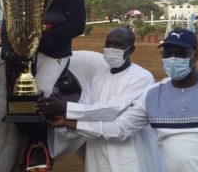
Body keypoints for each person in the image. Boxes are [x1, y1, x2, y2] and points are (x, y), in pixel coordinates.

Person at [48, 28, 198, 171]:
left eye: (180, 53)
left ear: (195, 55)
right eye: (167, 52)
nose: (172, 58)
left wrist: (68, 109)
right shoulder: (154, 94)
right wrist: (67, 122)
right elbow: (120, 128)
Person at [0, 0, 86, 171]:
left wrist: (39, 41)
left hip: (54, 51)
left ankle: (39, 146)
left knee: (42, 93)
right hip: (20, 46)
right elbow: (8, 17)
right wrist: (9, 47)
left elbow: (78, 24)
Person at [38, 27, 163, 172]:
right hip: (97, 155)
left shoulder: (141, 77)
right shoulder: (98, 77)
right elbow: (84, 109)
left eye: (118, 45)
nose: (111, 48)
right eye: (108, 44)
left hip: (128, 157)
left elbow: (113, 111)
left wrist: (66, 109)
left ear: (131, 50)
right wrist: (62, 121)